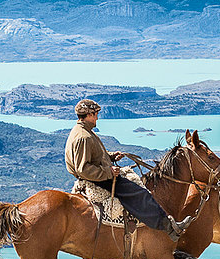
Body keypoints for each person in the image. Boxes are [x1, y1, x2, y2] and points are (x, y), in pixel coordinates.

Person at [64, 99, 188, 239]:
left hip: (99, 174)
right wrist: (108, 172)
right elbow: (83, 169)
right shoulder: (84, 136)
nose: (97, 117)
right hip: (99, 179)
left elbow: (94, 156)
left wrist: (111, 157)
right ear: (89, 115)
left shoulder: (83, 131)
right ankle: (169, 228)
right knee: (139, 194)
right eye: (95, 114)